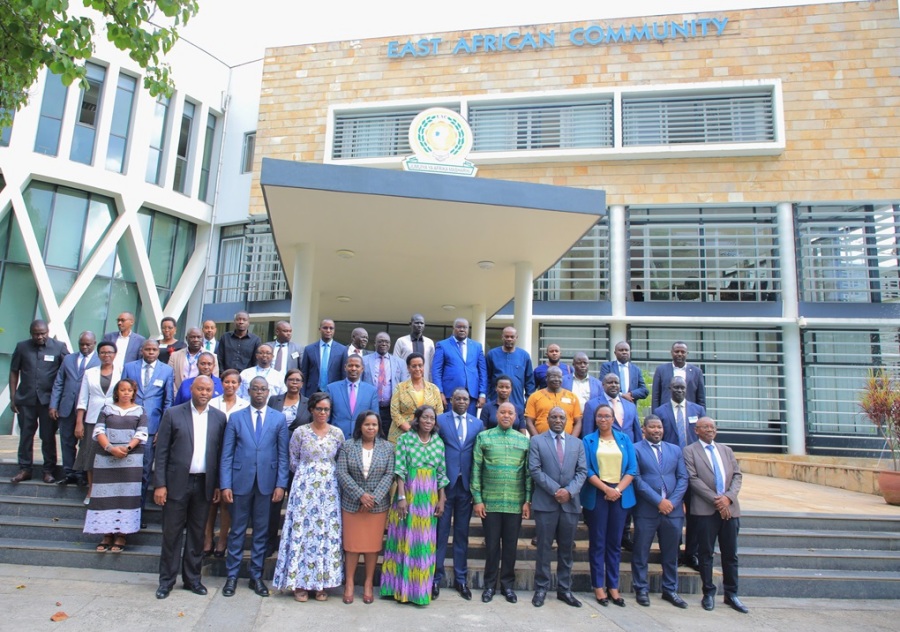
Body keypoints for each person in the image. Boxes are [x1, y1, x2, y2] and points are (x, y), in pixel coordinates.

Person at [153, 376, 227, 599]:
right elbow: (162, 451)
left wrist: (217, 485)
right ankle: (166, 581)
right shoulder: (173, 414)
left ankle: (192, 579)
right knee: (172, 534)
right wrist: (160, 484)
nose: (204, 393)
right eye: (200, 389)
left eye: (208, 389)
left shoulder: (219, 417)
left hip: (204, 483)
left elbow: (220, 453)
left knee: (197, 534)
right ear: (191, 389)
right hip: (176, 483)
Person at [220, 376, 289, 598]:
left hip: (267, 484)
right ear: (248, 391)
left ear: (269, 392)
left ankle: (256, 576)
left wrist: (281, 484)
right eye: (255, 389)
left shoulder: (278, 419)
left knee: (261, 531)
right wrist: (225, 484)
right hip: (240, 482)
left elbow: (283, 455)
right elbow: (227, 454)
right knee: (237, 530)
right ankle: (231, 576)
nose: (259, 392)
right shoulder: (236, 418)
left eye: (263, 389)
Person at [273, 392, 344, 602]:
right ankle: (300, 583)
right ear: (311, 409)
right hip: (304, 487)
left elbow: (340, 460)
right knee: (302, 533)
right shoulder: (300, 432)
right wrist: (310, 473)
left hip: (329, 490)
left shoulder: (337, 433)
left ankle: (322, 583)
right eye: (319, 409)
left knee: (325, 533)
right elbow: (293, 459)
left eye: (326, 409)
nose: (323, 413)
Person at [380, 405, 448, 605]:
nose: (428, 421)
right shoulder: (405, 439)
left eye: (432, 418)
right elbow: (400, 469)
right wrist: (401, 497)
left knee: (423, 542)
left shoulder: (438, 442)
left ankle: (418, 591)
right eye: (425, 417)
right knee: (404, 538)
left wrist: (441, 498)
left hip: (429, 497)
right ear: (417, 419)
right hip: (408, 492)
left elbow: (442, 472)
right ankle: (399, 589)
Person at [684, 417, 748, 614]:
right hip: (705, 510)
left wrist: (728, 498)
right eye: (705, 427)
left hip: (730, 509)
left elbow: (737, 475)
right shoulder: (690, 451)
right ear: (697, 430)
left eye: (712, 427)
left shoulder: (726, 450)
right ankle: (708, 592)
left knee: (731, 554)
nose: (710, 430)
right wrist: (716, 500)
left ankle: (731, 593)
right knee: (705, 554)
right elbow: (693, 479)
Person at [471, 402, 532, 604]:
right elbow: (476, 469)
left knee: (510, 547)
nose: (506, 416)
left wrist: (527, 501)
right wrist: (478, 499)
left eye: (510, 413)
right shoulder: (484, 437)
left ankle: (507, 585)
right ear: (497, 415)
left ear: (516, 417)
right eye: (503, 412)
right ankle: (489, 585)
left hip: (515, 503)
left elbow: (528, 474)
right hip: (490, 503)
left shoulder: (523, 441)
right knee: (491, 547)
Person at [580, 404, 637, 608]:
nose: (603, 419)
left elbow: (632, 468)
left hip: (620, 495)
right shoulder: (588, 440)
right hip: (598, 494)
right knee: (598, 542)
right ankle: (598, 586)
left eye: (607, 416)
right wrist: (606, 489)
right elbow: (586, 470)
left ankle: (613, 586)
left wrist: (617, 490)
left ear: (613, 419)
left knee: (614, 543)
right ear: (595, 420)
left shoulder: (624, 439)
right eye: (600, 416)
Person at [529, 407, 587, 608]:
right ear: (547, 418)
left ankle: (564, 589)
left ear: (568, 420)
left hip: (570, 504)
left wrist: (569, 492)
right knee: (544, 548)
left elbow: (582, 472)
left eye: (561, 417)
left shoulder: (577, 443)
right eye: (553, 416)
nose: (557, 420)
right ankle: (541, 588)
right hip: (546, 503)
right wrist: (557, 490)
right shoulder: (537, 441)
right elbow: (535, 470)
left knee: (566, 550)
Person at [336, 410, 395, 604]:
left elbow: (389, 474)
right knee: (352, 547)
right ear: (360, 426)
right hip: (353, 504)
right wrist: (360, 495)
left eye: (374, 425)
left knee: (372, 547)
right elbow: (342, 473)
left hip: (377, 507)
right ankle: (350, 583)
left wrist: (374, 498)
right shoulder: (347, 446)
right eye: (367, 424)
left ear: (379, 427)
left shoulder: (387, 448)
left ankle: (369, 583)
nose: (371, 428)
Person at [83, 378, 148, 553]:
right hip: (106, 459)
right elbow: (98, 431)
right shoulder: (107, 409)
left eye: (129, 390)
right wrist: (111, 449)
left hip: (130, 460)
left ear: (134, 392)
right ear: (117, 392)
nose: (126, 393)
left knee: (126, 496)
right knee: (106, 496)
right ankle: (106, 534)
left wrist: (125, 449)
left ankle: (121, 535)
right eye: (122, 390)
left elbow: (141, 434)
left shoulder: (140, 411)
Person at [631, 415, 689, 608]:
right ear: (644, 429)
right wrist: (658, 501)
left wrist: (671, 502)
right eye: (653, 427)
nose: (657, 430)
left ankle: (670, 589)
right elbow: (637, 479)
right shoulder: (636, 448)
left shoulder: (675, 450)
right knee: (641, 551)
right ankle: (641, 588)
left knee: (671, 553)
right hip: (647, 509)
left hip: (672, 511)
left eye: (659, 427)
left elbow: (683, 478)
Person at [434, 388, 484, 600]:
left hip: (466, 487)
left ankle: (461, 580)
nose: (462, 401)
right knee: (441, 534)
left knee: (462, 534)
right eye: (458, 398)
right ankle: (435, 579)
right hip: (445, 485)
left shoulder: (477, 423)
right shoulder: (440, 420)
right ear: (450, 400)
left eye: (465, 398)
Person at [654, 375, 706, 569]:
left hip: (694, 466)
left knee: (694, 512)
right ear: (669, 388)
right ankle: (672, 550)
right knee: (672, 511)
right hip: (670, 467)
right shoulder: (660, 411)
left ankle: (692, 553)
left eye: (682, 388)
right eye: (675, 387)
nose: (679, 391)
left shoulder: (697, 410)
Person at [122, 338, 174, 526]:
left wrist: (161, 429)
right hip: (128, 426)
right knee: (126, 472)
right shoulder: (129, 367)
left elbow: (168, 402)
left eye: (154, 349)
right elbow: (121, 394)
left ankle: (138, 514)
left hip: (152, 429)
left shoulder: (167, 370)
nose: (151, 352)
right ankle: (123, 512)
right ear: (142, 351)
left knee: (144, 472)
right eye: (148, 349)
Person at [9, 319, 69, 484]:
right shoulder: (22, 347)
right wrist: (12, 397)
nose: (40, 337)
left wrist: (61, 399)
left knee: (48, 436)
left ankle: (49, 470)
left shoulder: (59, 347)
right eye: (36, 334)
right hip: (26, 399)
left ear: (48, 332)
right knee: (26, 436)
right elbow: (14, 371)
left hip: (48, 402)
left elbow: (68, 372)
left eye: (43, 333)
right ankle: (24, 469)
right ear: (31, 333)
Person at [264, 368, 310, 557]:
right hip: (275, 454)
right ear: (285, 381)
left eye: (298, 380)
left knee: (298, 502)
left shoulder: (308, 403)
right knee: (274, 501)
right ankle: (270, 541)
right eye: (291, 379)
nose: (294, 383)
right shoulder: (274, 400)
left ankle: (295, 542)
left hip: (299, 458)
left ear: (302, 383)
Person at [205, 369, 250, 557]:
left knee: (226, 500)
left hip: (234, 457)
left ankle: (223, 538)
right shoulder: (212, 403)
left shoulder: (244, 406)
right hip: (211, 456)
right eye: (226, 382)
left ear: (239, 385)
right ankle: (207, 537)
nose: (230, 385)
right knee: (209, 500)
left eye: (234, 382)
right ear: (221, 383)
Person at [50, 331, 99, 485]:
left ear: (94, 344)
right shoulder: (69, 359)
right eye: (82, 344)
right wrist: (53, 405)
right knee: (66, 441)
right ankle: (68, 472)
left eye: (88, 344)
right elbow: (59, 382)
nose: (84, 347)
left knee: (85, 443)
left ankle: (81, 473)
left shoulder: (100, 360)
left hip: (88, 410)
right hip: (67, 407)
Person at [75, 342, 121, 501]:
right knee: (91, 455)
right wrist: (79, 422)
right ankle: (91, 491)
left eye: (109, 352)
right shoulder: (90, 373)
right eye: (102, 352)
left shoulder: (122, 371)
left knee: (110, 456)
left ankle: (108, 492)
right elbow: (83, 398)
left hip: (115, 418)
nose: (106, 355)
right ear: (98, 354)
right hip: (93, 419)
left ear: (115, 354)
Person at [431, 318, 487, 415]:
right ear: (453, 328)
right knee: (449, 425)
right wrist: (439, 392)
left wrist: (482, 393)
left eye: (464, 327)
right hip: (449, 395)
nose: (462, 329)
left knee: (469, 425)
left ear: (468, 329)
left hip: (471, 395)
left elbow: (482, 371)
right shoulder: (442, 345)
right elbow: (436, 371)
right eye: (459, 327)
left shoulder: (477, 346)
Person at [387, 352, 443, 444]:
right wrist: (411, 430)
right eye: (414, 366)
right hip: (401, 435)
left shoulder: (433, 389)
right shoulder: (400, 387)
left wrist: (425, 431)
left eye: (420, 365)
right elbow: (394, 412)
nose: (417, 369)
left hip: (427, 436)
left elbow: (439, 412)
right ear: (408, 368)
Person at [362, 332, 408, 438]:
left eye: (386, 342)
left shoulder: (400, 362)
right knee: (369, 436)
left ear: (390, 344)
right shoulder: (365, 360)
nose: (383, 344)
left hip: (390, 409)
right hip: (369, 407)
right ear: (375, 343)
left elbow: (404, 386)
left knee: (387, 437)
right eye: (380, 341)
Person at [327, 354, 378, 439]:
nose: (353, 368)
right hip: (336, 438)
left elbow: (375, 419)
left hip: (362, 439)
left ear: (362, 369)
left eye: (357, 366)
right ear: (345, 367)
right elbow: (327, 417)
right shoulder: (332, 389)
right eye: (350, 365)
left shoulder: (371, 391)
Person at [524, 366, 582, 438]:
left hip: (567, 442)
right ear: (546, 378)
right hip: (542, 442)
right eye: (553, 376)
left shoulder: (572, 397)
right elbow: (529, 422)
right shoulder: (534, 397)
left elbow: (578, 422)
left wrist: (572, 440)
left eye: (559, 377)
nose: (557, 379)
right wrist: (538, 440)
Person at [485, 326, 534, 409]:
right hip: (495, 401)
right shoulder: (492, 354)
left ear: (516, 338)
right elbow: (486, 379)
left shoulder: (524, 356)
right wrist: (487, 398)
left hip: (517, 402)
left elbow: (529, 381)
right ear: (502, 337)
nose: (509, 339)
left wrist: (529, 399)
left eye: (512, 337)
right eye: (506, 336)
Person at [583, 374, 641, 441]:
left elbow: (637, 432)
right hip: (604, 448)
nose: (614, 385)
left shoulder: (631, 405)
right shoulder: (591, 405)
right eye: (610, 382)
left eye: (616, 383)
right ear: (603, 385)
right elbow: (587, 433)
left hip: (628, 447)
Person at [652, 341, 706, 410]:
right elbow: (655, 397)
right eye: (677, 351)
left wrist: (702, 417)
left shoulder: (697, 372)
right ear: (671, 353)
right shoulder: (661, 370)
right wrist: (655, 417)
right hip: (667, 413)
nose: (680, 354)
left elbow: (701, 398)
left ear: (687, 353)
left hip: (689, 413)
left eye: (683, 352)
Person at [300, 319, 347, 396]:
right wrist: (302, 394)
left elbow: (344, 374)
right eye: (325, 328)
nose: (328, 331)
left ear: (334, 330)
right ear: (319, 329)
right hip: (312, 392)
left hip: (334, 392)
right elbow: (304, 374)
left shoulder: (342, 350)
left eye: (331, 328)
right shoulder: (309, 349)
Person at [393, 313, 435, 379]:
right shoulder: (401, 341)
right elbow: (395, 364)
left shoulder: (429, 343)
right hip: (405, 383)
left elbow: (432, 365)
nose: (419, 325)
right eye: (417, 323)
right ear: (410, 324)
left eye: (421, 323)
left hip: (424, 383)